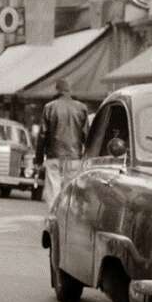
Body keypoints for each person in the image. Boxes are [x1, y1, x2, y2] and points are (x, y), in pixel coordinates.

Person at [36, 77, 89, 206]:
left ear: (57, 90)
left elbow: (42, 135)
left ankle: (53, 215)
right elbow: (86, 135)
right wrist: (86, 157)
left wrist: (38, 159)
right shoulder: (82, 108)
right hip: (74, 157)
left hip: (54, 155)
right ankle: (65, 215)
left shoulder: (49, 107)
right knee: (69, 191)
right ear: (70, 91)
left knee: (53, 190)